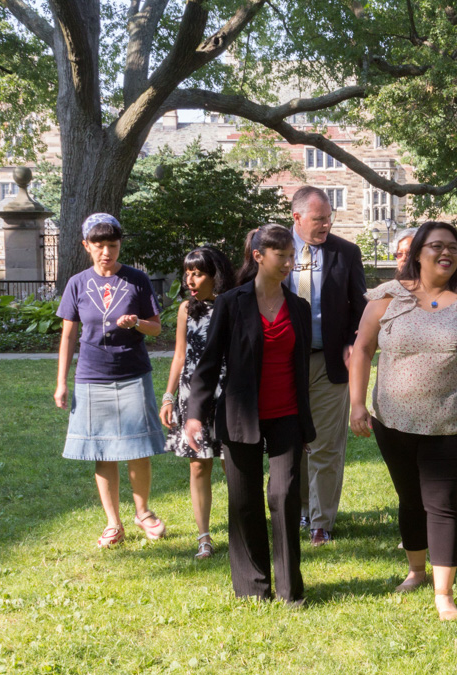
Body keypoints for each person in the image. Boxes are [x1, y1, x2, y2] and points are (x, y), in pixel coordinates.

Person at [349, 222, 457, 621]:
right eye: (436, 246)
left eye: (452, 247)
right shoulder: (387, 298)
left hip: (456, 421)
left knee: (441, 502)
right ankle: (417, 570)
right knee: (409, 498)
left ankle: (444, 593)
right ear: (417, 253)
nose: (445, 253)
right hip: (394, 421)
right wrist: (356, 404)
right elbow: (363, 350)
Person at [185, 224, 315, 603]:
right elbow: (208, 364)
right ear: (259, 256)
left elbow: (301, 368)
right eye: (282, 256)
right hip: (240, 417)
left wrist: (306, 424)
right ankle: (253, 589)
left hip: (287, 414)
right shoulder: (232, 303)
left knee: (285, 494)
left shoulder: (299, 309)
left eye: (293, 255)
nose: (290, 262)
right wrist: (196, 414)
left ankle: (290, 590)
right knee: (244, 502)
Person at [54, 213, 167, 549]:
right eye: (100, 245)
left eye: (113, 245)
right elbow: (68, 336)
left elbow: (157, 327)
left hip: (133, 374)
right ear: (86, 246)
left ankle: (143, 512)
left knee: (138, 448)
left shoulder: (136, 279)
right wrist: (62, 381)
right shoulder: (77, 283)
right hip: (91, 377)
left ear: (120, 246)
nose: (107, 252)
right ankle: (113, 523)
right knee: (103, 450)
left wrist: (136, 324)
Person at [287, 187, 367, 545]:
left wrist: (353, 341)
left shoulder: (345, 252)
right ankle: (301, 509)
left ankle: (321, 522)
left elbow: (359, 306)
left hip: (329, 361)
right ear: (297, 218)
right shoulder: (275, 246)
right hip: (282, 363)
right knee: (292, 441)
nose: (326, 224)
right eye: (319, 219)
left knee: (325, 444)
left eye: (329, 217)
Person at [160, 246, 235, 559]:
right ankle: (204, 537)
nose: (190, 279)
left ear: (215, 275)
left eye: (198, 272)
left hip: (227, 391)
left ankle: (242, 530)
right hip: (192, 394)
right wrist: (168, 395)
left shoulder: (232, 305)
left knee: (232, 465)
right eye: (187, 272)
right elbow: (179, 354)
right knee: (198, 465)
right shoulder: (185, 309)